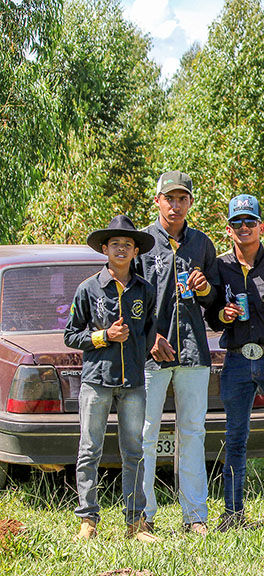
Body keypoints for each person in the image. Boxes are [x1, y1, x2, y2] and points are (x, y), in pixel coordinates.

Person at [65, 215, 159, 542]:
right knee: (90, 449)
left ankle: (136, 523)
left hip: (133, 382)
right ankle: (88, 520)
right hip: (96, 381)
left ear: (136, 251)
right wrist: (103, 336)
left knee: (134, 452)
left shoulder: (144, 290)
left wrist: (139, 352)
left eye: (128, 245)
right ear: (105, 249)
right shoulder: (88, 288)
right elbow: (71, 335)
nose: (121, 249)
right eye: (115, 244)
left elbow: (149, 333)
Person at [137, 171, 219, 534]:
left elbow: (216, 301)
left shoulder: (201, 243)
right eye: (169, 198)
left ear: (189, 203)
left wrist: (205, 290)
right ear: (157, 200)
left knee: (193, 433)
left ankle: (195, 517)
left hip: (193, 352)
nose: (175, 204)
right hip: (151, 354)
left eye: (182, 198)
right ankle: (142, 516)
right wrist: (149, 337)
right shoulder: (140, 243)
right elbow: (126, 299)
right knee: (146, 434)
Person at [205, 194, 264, 531]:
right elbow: (210, 313)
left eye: (249, 221)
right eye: (237, 222)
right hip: (237, 360)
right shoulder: (220, 266)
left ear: (261, 226)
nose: (244, 227)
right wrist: (221, 314)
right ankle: (233, 512)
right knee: (235, 438)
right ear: (228, 229)